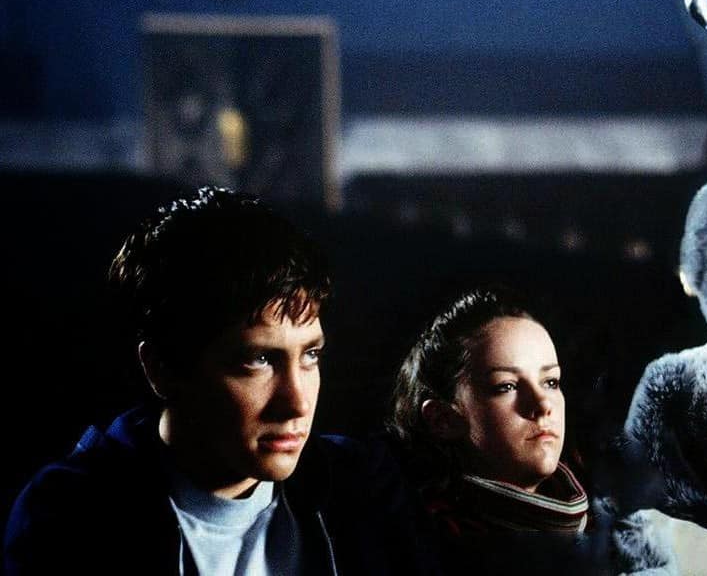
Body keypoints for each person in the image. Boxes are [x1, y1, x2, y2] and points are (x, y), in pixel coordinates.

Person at [4, 186, 438, 575]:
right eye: (258, 360)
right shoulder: (68, 518)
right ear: (162, 369)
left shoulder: (363, 491)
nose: (297, 403)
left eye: (310, 355)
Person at [389, 288, 594, 571]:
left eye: (551, 382)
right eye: (506, 386)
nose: (543, 404)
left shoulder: (613, 525)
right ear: (442, 419)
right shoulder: (420, 548)